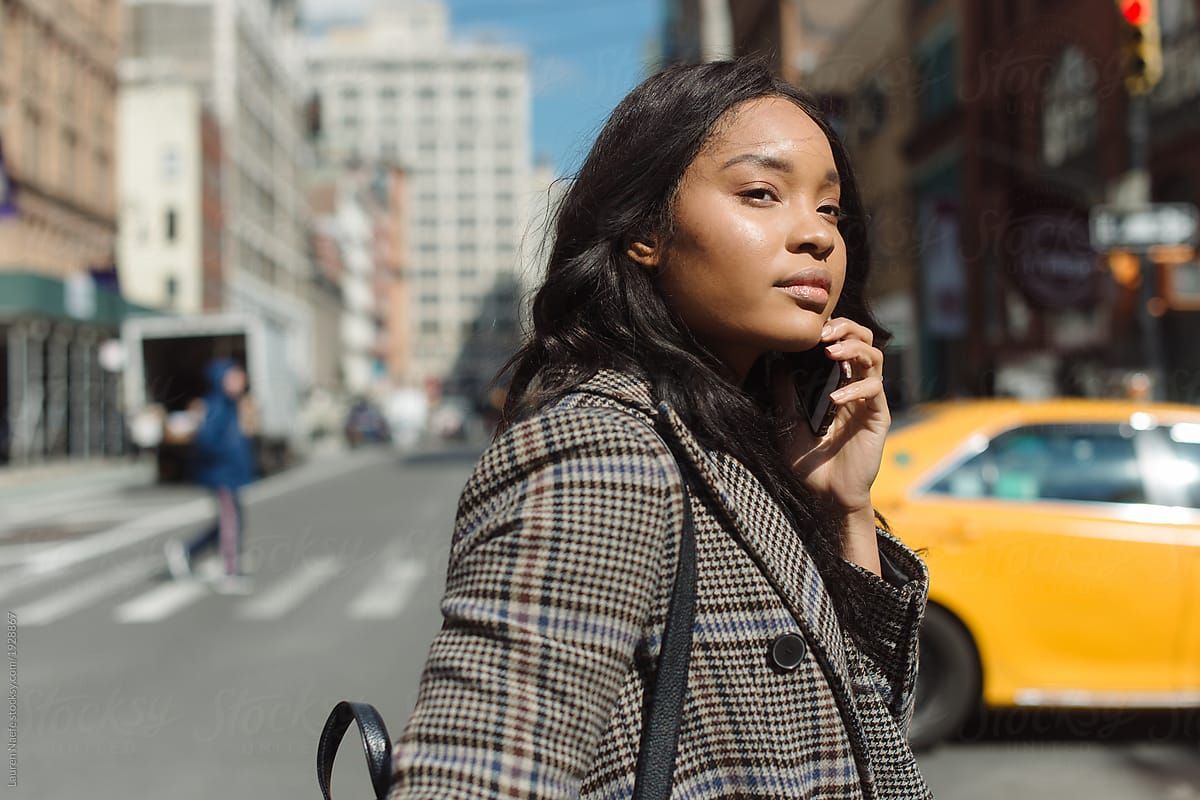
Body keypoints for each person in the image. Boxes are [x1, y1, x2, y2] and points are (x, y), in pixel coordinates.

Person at [389, 59, 932, 798]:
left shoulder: (738, 445)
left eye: (830, 209)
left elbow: (862, 740)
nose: (815, 236)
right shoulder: (603, 451)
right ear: (645, 230)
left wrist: (845, 505)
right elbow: (476, 780)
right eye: (762, 194)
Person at [164, 358, 256, 595]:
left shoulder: (231, 404)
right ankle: (230, 572)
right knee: (230, 522)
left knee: (230, 521)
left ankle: (187, 552)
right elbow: (205, 440)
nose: (240, 381)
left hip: (230, 474)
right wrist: (227, 457)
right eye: (233, 377)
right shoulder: (216, 405)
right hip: (221, 474)